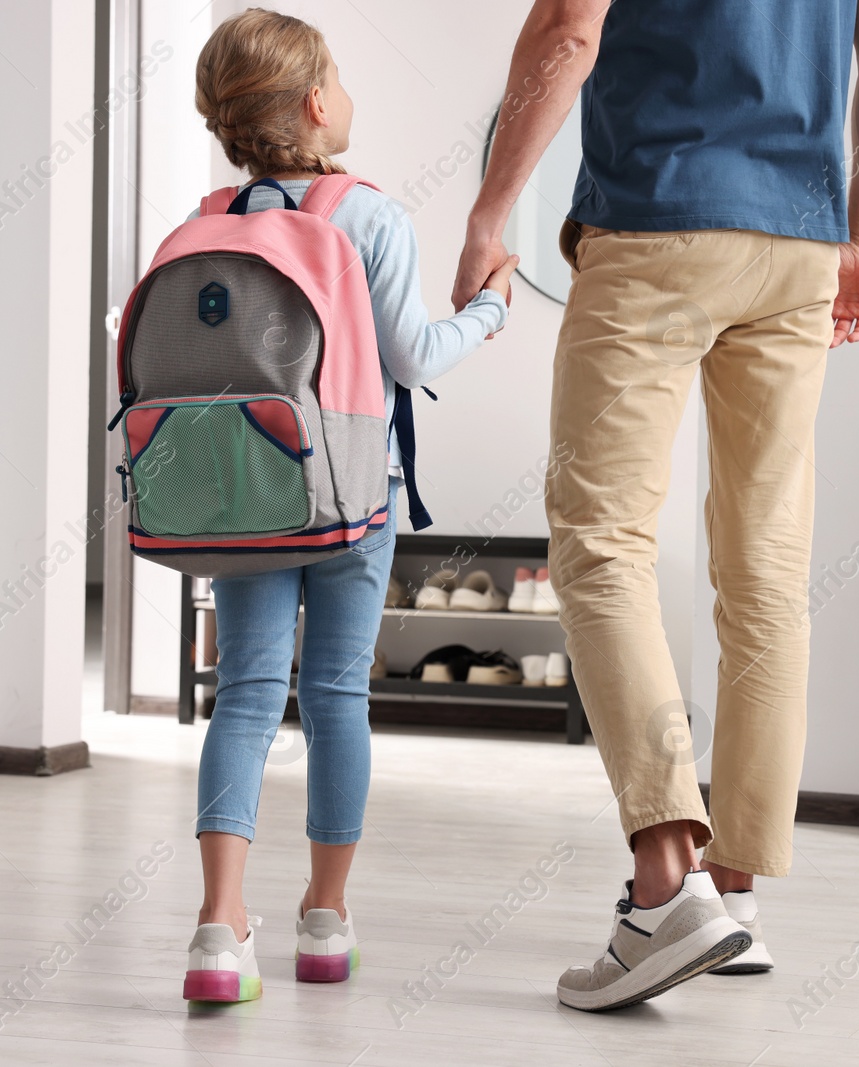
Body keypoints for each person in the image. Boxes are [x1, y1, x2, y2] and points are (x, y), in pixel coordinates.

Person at [453, 0, 859, 1011]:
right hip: (800, 235)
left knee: (599, 539)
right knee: (764, 563)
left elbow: (570, 28)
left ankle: (668, 884)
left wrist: (491, 210)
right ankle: (733, 901)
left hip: (657, 216)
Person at [183, 8, 518, 1003]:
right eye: (342, 76)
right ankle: (324, 920)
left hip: (242, 499)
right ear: (318, 101)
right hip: (347, 495)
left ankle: (215, 927)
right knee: (335, 697)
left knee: (243, 692)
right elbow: (412, 356)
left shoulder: (211, 219)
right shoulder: (368, 214)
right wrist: (490, 307)